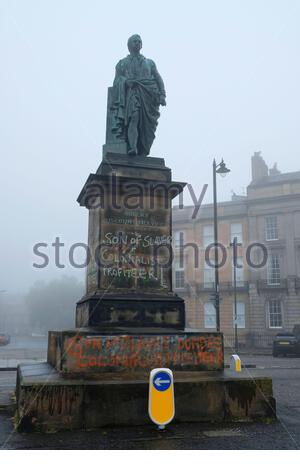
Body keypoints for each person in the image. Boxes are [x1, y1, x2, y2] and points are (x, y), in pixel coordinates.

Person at [111, 34, 166, 156]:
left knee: (148, 129)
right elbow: (116, 81)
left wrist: (162, 94)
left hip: (149, 97)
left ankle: (142, 148)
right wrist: (125, 81)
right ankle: (133, 147)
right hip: (133, 93)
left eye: (139, 41)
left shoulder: (150, 63)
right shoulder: (122, 63)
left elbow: (158, 78)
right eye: (134, 41)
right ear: (129, 45)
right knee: (133, 119)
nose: (137, 43)